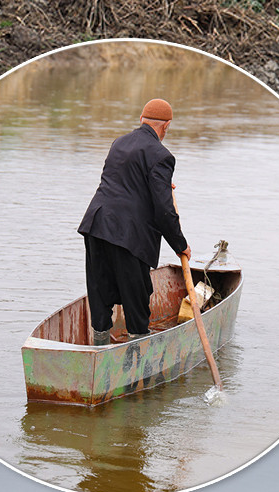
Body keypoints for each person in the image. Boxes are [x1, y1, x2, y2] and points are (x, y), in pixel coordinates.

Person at [78, 98, 190, 345]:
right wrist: (180, 244)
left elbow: (123, 180)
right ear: (166, 126)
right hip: (129, 235)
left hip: (97, 224)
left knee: (100, 290)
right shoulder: (162, 155)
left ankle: (99, 349)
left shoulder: (119, 143)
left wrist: (158, 183)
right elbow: (164, 210)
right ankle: (138, 351)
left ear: (141, 120)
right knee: (136, 297)